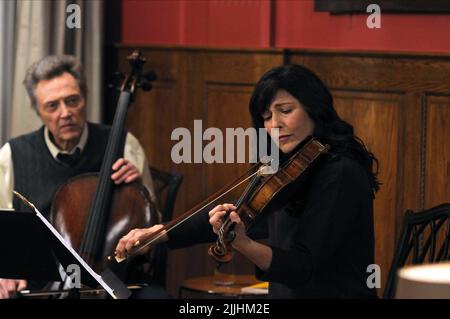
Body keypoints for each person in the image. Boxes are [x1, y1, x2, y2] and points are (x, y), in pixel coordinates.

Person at [115, 64, 380, 298]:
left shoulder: (340, 173)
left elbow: (303, 267)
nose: (275, 124)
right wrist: (159, 233)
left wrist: (244, 244)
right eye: (266, 117)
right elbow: (235, 213)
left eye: (285, 110)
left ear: (314, 109)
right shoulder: (288, 169)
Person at [0, 55, 159, 298]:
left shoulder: (125, 145)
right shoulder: (11, 155)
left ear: (85, 98)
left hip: (110, 280)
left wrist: (137, 194)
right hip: (39, 285)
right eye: (52, 106)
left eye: (72, 100)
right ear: (38, 111)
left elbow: (151, 232)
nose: (66, 113)